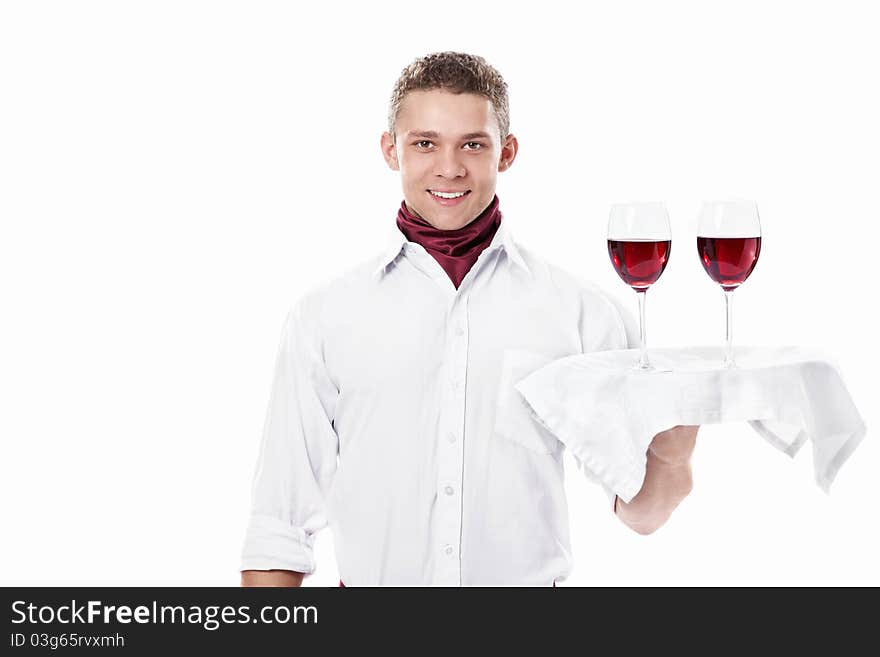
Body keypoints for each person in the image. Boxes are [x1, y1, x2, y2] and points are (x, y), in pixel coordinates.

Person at [239, 51, 699, 587]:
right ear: (392, 150)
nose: (450, 167)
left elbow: (643, 512)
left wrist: (674, 445)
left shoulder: (583, 313)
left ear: (507, 152)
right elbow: (279, 522)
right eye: (425, 143)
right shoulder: (323, 315)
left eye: (473, 144)